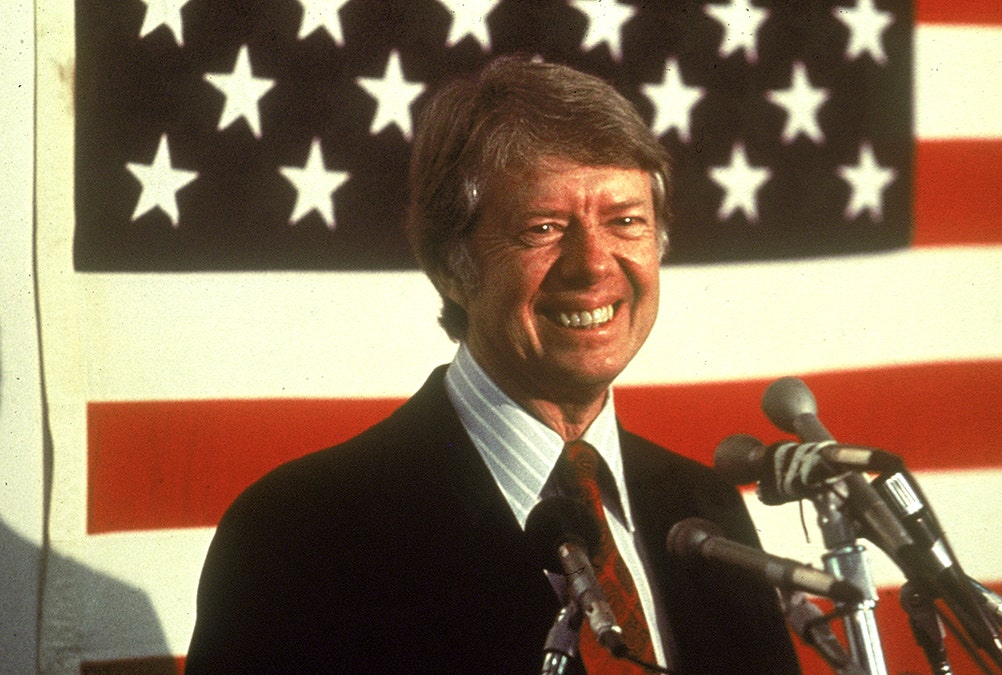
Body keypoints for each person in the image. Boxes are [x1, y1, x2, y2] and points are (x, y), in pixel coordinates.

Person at [185, 57, 801, 674]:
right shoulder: (301, 533)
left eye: (626, 221)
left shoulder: (705, 509)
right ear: (453, 266)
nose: (593, 264)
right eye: (543, 228)